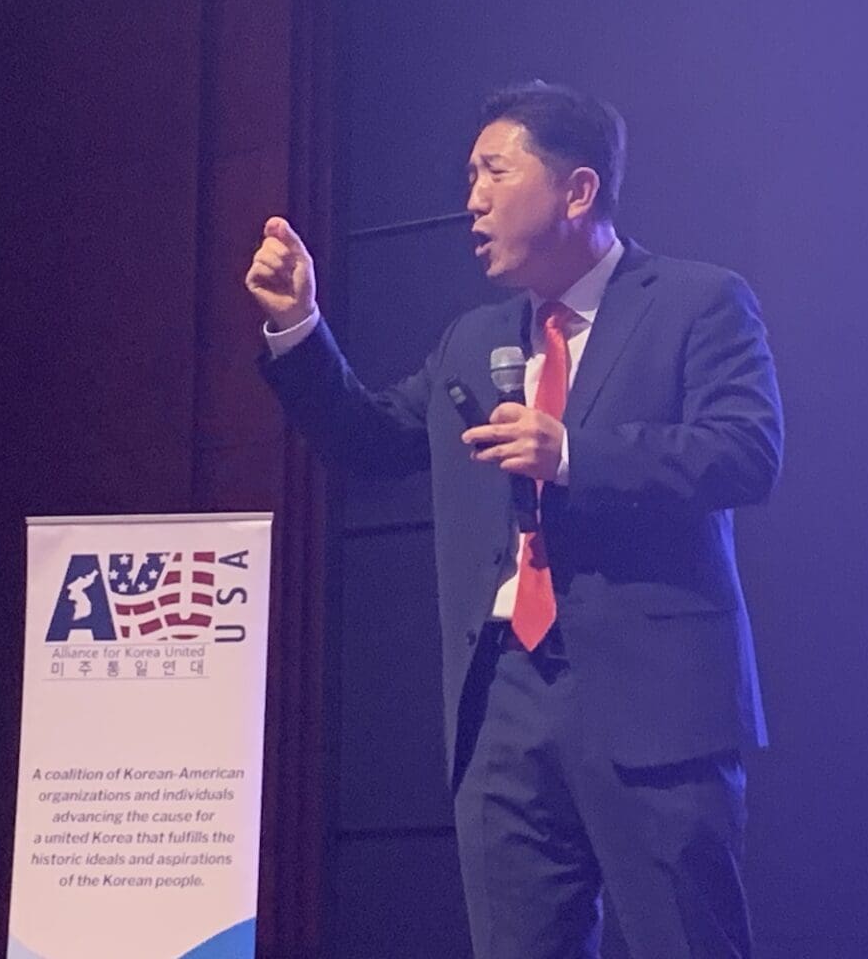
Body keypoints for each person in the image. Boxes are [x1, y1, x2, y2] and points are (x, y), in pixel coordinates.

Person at [246, 81, 783, 958]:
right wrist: (299, 326)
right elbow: (371, 441)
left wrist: (573, 454)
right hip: (502, 700)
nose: (473, 199)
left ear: (577, 190)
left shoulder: (698, 301)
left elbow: (746, 451)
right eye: (469, 177)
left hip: (651, 701)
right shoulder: (473, 339)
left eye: (494, 172)